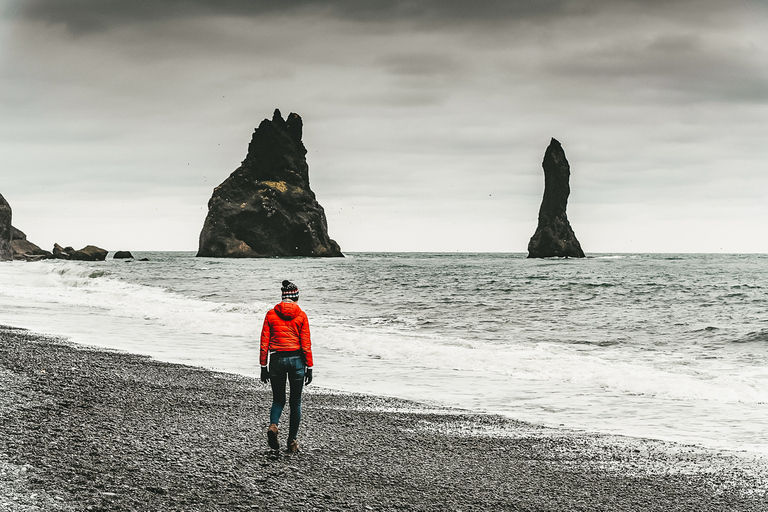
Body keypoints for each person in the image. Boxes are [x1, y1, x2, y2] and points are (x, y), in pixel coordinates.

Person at [259, 280, 313, 453]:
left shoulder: (270, 315)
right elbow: (306, 344)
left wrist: (263, 366)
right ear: (296, 297)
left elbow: (264, 343)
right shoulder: (302, 315)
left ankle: (273, 426)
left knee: (278, 399)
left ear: (283, 297)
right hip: (297, 360)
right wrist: (309, 367)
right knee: (295, 402)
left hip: (276, 361)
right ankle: (292, 442)